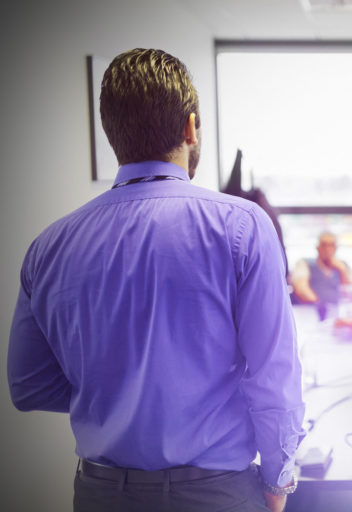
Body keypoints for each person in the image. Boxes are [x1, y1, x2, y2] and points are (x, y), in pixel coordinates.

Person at [7, 48, 305, 512]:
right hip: (216, 495)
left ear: (112, 135)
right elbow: (274, 376)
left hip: (99, 495)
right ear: (190, 127)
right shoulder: (242, 227)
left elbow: (28, 386)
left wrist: (119, 393)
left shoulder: (47, 247)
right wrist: (278, 480)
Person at [290, 231, 352, 305]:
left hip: (337, 312)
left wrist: (342, 270)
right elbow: (301, 289)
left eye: (331, 245)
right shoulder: (304, 263)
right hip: (310, 312)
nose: (327, 249)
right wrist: (319, 305)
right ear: (317, 247)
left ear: (336, 248)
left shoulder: (343, 265)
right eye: (324, 245)